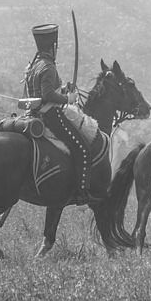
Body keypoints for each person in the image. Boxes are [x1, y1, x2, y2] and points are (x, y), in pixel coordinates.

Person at [21, 24, 97, 205]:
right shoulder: (48, 67)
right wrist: (68, 99)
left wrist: (62, 90)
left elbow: (43, 91)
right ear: (53, 47)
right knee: (83, 149)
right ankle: (81, 193)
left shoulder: (34, 66)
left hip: (33, 114)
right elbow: (47, 95)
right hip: (50, 116)